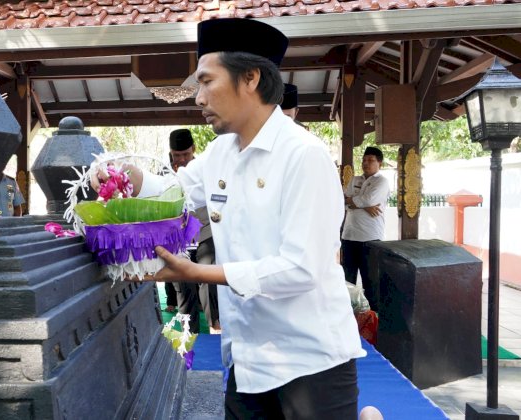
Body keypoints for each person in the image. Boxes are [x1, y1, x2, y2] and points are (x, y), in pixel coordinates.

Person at [93, 18, 363, 419]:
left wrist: (198, 273)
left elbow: (301, 269)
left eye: (206, 81)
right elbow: (174, 194)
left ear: (251, 78)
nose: (198, 97)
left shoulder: (303, 156)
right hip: (248, 358)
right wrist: (127, 177)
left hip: (311, 362)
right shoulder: (221, 153)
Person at [168, 128, 220, 334]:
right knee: (183, 285)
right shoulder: (166, 174)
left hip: (206, 232)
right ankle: (189, 334)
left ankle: (215, 328)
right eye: (177, 155)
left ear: (194, 149)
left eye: (186, 154)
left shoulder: (205, 168)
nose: (182, 160)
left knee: (210, 280)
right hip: (178, 239)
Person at [341, 146, 390, 312]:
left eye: (371, 160)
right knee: (347, 280)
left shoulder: (381, 181)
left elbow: (370, 199)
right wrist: (365, 206)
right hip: (349, 235)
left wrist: (355, 203)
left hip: (370, 237)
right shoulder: (355, 180)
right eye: (364, 160)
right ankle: (347, 315)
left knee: (370, 281)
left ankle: (372, 318)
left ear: (379, 163)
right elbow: (344, 199)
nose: (366, 163)